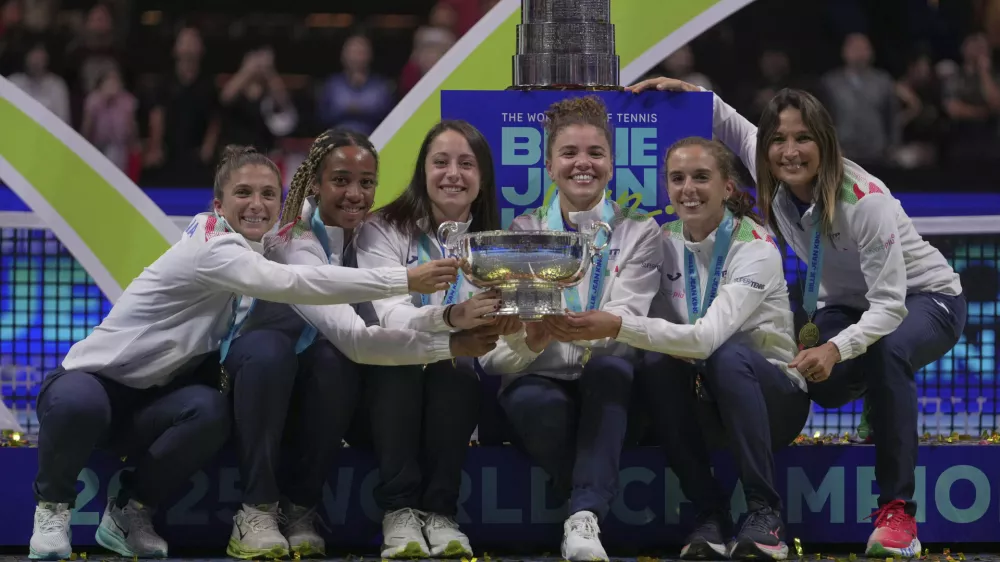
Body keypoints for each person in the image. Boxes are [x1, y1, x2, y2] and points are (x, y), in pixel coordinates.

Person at [27, 146, 456, 560]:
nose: (257, 204)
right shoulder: (214, 249)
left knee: (211, 414)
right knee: (78, 403)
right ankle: (52, 510)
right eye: (243, 193)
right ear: (219, 204)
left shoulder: (260, 246)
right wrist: (404, 278)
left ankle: (129, 510)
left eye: (268, 194)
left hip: (153, 402)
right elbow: (298, 283)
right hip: (94, 383)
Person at [628, 77, 966, 558]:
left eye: (803, 138)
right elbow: (730, 121)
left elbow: (890, 307)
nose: (790, 150)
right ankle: (881, 391)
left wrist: (837, 347)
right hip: (845, 307)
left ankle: (898, 514)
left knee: (888, 352)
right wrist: (689, 91)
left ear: (825, 142)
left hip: (925, 298)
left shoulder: (865, 202)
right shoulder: (779, 173)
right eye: (779, 139)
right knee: (823, 387)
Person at [216, 130, 485, 558]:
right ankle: (261, 509)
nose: (355, 194)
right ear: (315, 185)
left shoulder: (372, 235)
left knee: (374, 366)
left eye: (366, 182)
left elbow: (392, 317)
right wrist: (452, 340)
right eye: (340, 181)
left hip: (335, 392)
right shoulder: (292, 241)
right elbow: (354, 339)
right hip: (267, 386)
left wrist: (451, 332)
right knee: (312, 356)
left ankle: (311, 508)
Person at [565, 137, 810, 560]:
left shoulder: (756, 247)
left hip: (774, 402)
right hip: (703, 401)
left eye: (701, 177)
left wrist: (618, 324)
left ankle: (764, 513)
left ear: (728, 188)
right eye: (677, 179)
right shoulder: (664, 240)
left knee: (726, 354)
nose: (688, 189)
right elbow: (655, 330)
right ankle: (709, 513)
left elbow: (705, 339)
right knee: (655, 361)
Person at [478, 96, 663, 562]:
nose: (583, 163)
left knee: (610, 370)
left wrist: (548, 331)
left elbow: (620, 328)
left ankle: (582, 515)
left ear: (612, 161)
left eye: (595, 153)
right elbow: (502, 352)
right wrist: (531, 341)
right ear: (549, 163)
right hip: (544, 384)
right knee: (529, 399)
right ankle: (588, 509)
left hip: (614, 390)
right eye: (569, 153)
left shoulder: (639, 231)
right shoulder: (523, 232)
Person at [355, 120, 517, 558]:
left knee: (460, 368)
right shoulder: (383, 229)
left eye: (467, 164)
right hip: (385, 383)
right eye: (440, 162)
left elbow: (498, 350)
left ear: (482, 179)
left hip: (459, 389)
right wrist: (451, 317)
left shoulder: (497, 244)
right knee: (403, 358)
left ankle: (441, 513)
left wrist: (511, 331)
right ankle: (398, 510)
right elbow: (389, 315)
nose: (453, 174)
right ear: (422, 171)